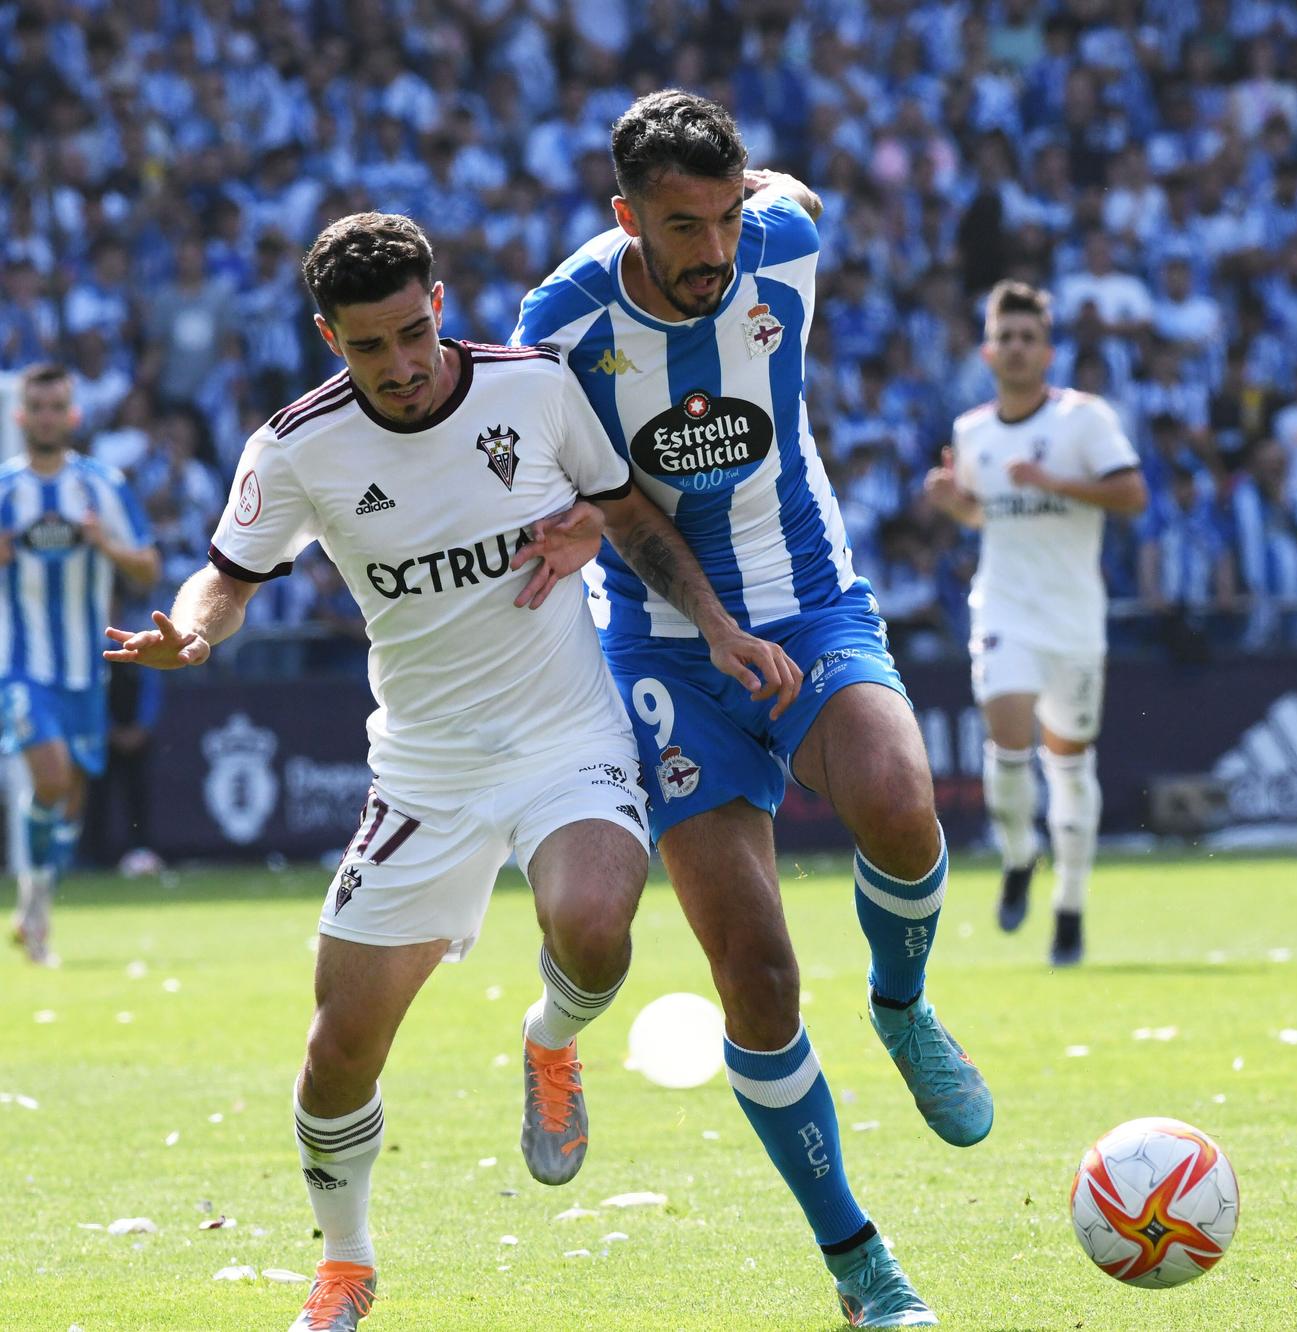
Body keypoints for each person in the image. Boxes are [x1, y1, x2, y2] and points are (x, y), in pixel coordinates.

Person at [105, 212, 796, 1332]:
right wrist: (192, 631)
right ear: (331, 338)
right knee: (338, 1052)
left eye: (414, 333)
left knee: (593, 926)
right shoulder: (296, 447)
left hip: (567, 738)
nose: (402, 365)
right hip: (423, 773)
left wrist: (713, 625)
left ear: (441, 302)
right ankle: (345, 1262)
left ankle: (551, 1042)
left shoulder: (533, 388)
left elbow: (628, 515)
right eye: (369, 346)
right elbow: (226, 575)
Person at [512, 90, 990, 1328]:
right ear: (625, 216)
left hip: (813, 602)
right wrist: (713, 632)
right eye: (683, 226)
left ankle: (902, 1005)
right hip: (668, 650)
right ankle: (860, 1266)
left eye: (727, 216)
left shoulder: (782, 237)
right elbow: (612, 501)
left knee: (899, 801)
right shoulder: (559, 324)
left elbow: (800, 199)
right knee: (760, 979)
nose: (714, 251)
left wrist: (759, 192)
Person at [922, 280, 1146, 964]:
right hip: (1005, 607)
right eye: (1005, 338)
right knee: (1008, 739)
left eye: (1028, 338)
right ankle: (1019, 853)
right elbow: (988, 513)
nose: (1016, 349)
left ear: (1047, 351)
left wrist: (1053, 482)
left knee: (1070, 766)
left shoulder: (1085, 420)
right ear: (989, 351)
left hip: (1074, 617)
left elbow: (1132, 495)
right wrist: (952, 503)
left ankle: (1070, 904)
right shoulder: (972, 430)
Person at [2, 361, 159, 964]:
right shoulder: (4, 490)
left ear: (73, 415)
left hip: (84, 671)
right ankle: (35, 902)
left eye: (56, 407)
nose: (46, 418)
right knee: (50, 776)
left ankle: (35, 906)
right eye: (36, 408)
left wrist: (105, 544)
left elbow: (145, 567)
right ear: (21, 417)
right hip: (20, 665)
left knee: (70, 800)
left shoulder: (102, 485)